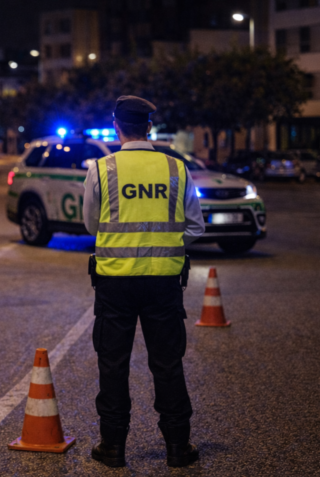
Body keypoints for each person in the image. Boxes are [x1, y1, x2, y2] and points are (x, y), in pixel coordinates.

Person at [84, 95, 205, 468]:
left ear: (116, 128)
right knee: (167, 364)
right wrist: (165, 246)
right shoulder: (176, 168)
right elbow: (196, 227)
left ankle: (113, 447)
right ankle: (178, 448)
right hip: (163, 282)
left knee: (113, 364)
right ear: (149, 128)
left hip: (115, 283)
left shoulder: (102, 168)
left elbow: (91, 225)